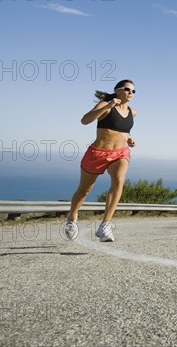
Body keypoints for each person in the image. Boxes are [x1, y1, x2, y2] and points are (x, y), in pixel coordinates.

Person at [64, 80, 137, 242]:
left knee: (119, 180)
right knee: (84, 191)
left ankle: (105, 225)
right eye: (127, 89)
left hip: (120, 153)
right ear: (118, 91)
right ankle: (72, 217)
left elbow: (122, 131)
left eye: (133, 91)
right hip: (97, 154)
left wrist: (129, 140)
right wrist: (107, 107)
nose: (131, 93)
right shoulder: (106, 105)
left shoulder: (133, 112)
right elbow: (85, 120)